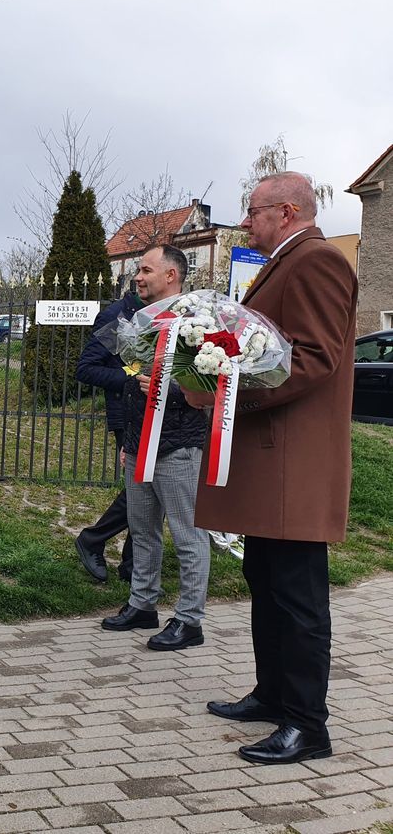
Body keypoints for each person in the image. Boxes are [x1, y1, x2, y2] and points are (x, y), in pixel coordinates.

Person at [186, 172, 357, 765]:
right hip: (271, 459)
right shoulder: (285, 260)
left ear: (286, 211)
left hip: (293, 460)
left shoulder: (317, 261)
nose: (246, 221)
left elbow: (312, 358)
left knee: (298, 598)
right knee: (266, 583)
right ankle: (272, 694)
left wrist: (229, 389)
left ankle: (308, 725)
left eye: (253, 211)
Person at [100, 244, 212, 651]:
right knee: (143, 531)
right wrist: (129, 441)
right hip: (139, 443)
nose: (137, 276)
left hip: (178, 445)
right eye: (137, 270)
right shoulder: (138, 321)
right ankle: (142, 605)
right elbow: (134, 381)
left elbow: (215, 383)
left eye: (145, 269)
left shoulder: (198, 322)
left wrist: (175, 392)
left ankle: (189, 620)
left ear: (171, 275)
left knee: (187, 536)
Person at [74, 284, 141, 583]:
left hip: (161, 413)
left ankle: (132, 566)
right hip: (127, 413)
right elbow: (86, 369)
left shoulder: (167, 314)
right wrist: (130, 378)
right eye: (142, 272)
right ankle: (93, 539)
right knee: (143, 490)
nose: (142, 278)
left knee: (151, 493)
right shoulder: (117, 317)